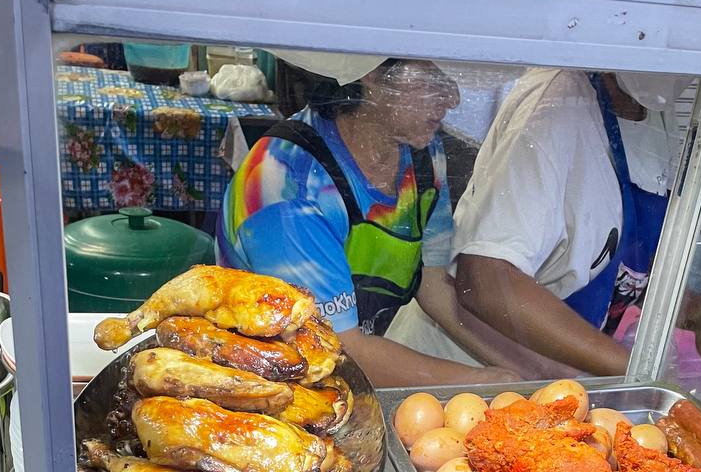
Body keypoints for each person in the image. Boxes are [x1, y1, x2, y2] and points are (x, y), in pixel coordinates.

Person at [216, 57, 521, 388]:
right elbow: (340, 348)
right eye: (433, 78)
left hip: (344, 382)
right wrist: (484, 381)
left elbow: (432, 283)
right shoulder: (286, 182)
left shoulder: (422, 155)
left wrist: (527, 371)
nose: (453, 98)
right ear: (372, 75)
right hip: (266, 389)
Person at [388, 67, 676, 378]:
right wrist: (633, 372)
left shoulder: (660, 113)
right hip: (463, 369)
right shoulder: (558, 100)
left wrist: (699, 319)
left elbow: (629, 257)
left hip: (549, 376)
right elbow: (486, 280)